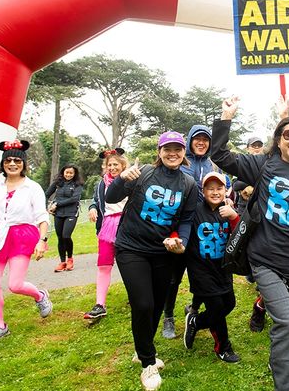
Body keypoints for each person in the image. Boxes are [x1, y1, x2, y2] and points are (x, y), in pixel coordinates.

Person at [211, 96, 289, 391]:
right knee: (288, 323)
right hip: (266, 260)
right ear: (278, 138)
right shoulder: (263, 164)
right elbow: (221, 155)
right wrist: (226, 117)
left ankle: (278, 359)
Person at [107, 131, 198, 391]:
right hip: (131, 248)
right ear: (159, 152)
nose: (173, 153)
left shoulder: (189, 184)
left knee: (157, 304)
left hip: (163, 252)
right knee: (143, 303)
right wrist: (122, 179)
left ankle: (141, 347)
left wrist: (180, 240)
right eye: (167, 149)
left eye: (178, 149)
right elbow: (111, 198)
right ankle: (148, 363)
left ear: (184, 153)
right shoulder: (143, 173)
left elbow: (187, 219)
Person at [0, 140, 52, 348]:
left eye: (17, 160)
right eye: (8, 160)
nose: (13, 164)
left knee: (15, 285)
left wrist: (42, 240)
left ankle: (40, 295)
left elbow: (42, 216)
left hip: (22, 236)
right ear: (3, 163)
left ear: (24, 163)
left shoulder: (32, 188)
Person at [162, 124, 219, 339]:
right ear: (190, 141)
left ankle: (193, 308)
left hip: (204, 228)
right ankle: (168, 316)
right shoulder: (181, 163)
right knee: (174, 277)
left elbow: (222, 187)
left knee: (204, 273)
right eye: (197, 138)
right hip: (180, 227)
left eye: (206, 139)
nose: (202, 142)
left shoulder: (214, 165)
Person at [183, 171, 241, 363]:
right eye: (210, 188)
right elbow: (180, 225)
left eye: (219, 188)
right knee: (216, 308)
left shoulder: (228, 211)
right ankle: (223, 347)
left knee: (229, 304)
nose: (215, 192)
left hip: (223, 269)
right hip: (201, 270)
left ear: (226, 190)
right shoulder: (195, 211)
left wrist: (233, 217)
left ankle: (196, 321)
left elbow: (242, 235)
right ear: (203, 190)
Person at [84, 149, 128, 320]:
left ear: (123, 165)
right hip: (106, 227)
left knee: (129, 264)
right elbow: (96, 200)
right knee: (104, 265)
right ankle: (100, 304)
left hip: (126, 226)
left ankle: (137, 296)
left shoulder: (130, 181)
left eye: (115, 164)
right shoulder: (102, 183)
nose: (112, 167)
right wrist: (93, 208)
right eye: (109, 165)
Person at [45, 164, 84, 272]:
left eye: (71, 173)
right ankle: (62, 262)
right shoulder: (58, 183)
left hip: (71, 213)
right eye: (67, 172)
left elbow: (74, 199)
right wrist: (45, 208)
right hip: (58, 214)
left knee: (66, 235)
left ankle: (70, 259)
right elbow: (46, 194)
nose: (68, 174)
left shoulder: (78, 184)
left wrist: (56, 204)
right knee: (60, 237)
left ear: (74, 174)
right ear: (63, 172)